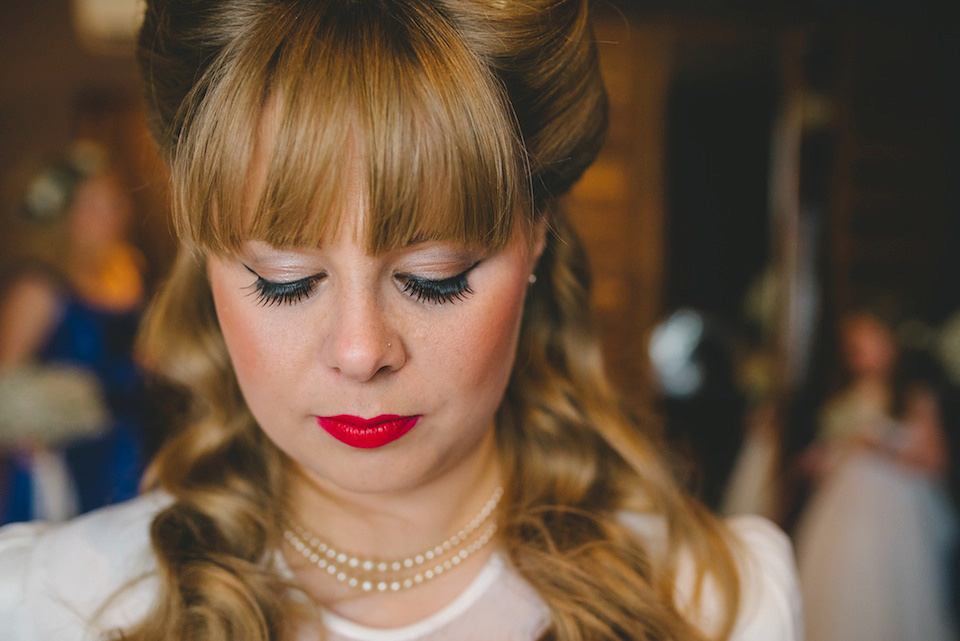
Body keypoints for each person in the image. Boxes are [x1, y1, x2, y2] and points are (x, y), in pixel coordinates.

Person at [0, 1, 801, 639]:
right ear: (205, 257)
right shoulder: (51, 606)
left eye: (434, 275)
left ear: (536, 237)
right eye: (285, 280)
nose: (360, 351)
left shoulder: (717, 605)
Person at [0, 141, 147, 523]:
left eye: (113, 203)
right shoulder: (38, 286)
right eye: (93, 206)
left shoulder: (127, 268)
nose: (109, 216)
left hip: (132, 438)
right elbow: (7, 384)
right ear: (63, 215)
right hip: (65, 455)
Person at [794, 311, 957, 641]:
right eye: (853, 346)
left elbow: (935, 461)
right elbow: (838, 450)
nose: (858, 353)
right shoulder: (847, 397)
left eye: (867, 343)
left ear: (889, 343)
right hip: (845, 503)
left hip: (897, 510)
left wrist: (880, 447)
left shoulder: (913, 397)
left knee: (889, 589)